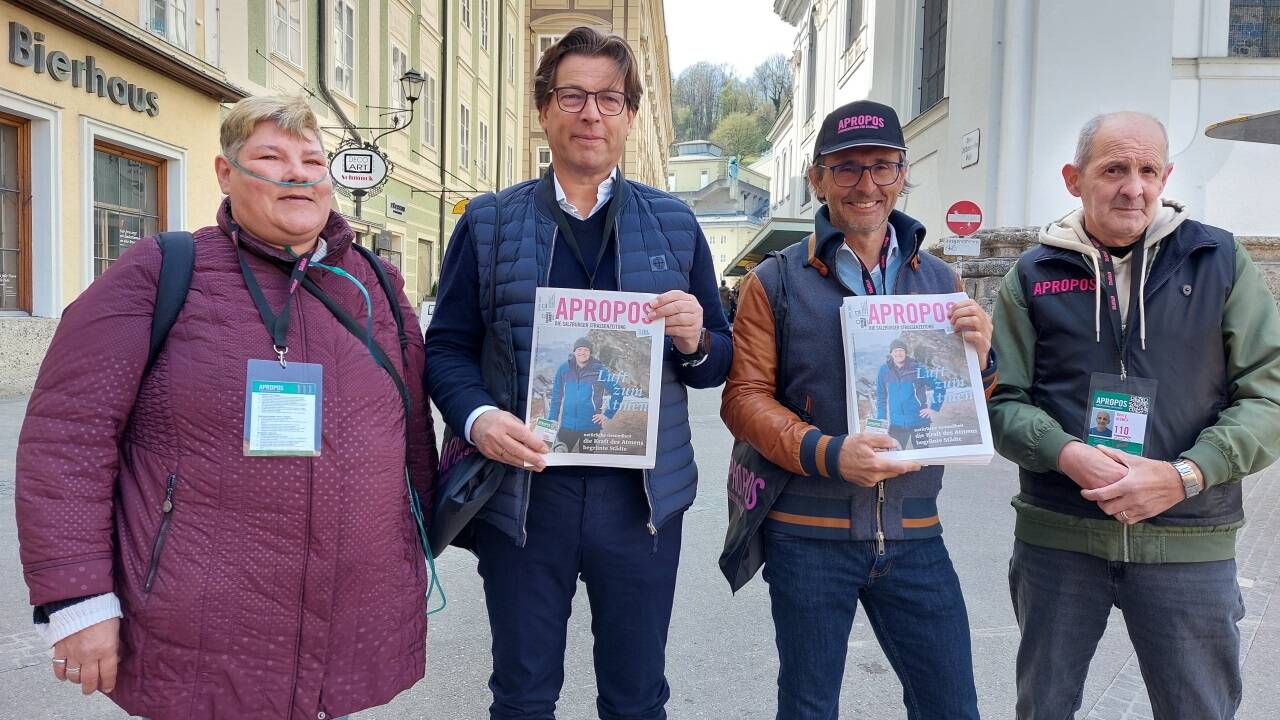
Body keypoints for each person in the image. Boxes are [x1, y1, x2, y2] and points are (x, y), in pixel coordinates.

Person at [14, 95, 438, 719]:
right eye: (270, 156)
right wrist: (76, 598)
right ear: (225, 173)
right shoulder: (163, 270)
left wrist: (416, 550)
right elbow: (67, 437)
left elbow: (410, 432)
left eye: (312, 160)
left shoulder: (374, 282)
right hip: (202, 627)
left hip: (347, 620)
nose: (298, 173)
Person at [424, 27, 731, 720]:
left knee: (637, 696)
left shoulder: (677, 223)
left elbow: (718, 359)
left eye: (609, 98)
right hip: (526, 499)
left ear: (629, 114)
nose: (591, 112)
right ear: (543, 108)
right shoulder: (489, 223)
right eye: (573, 95)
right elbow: (445, 348)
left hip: (641, 505)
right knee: (524, 695)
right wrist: (479, 419)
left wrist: (695, 341)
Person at [989, 111, 1280, 720]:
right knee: (1043, 708)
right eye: (1114, 169)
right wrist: (1064, 452)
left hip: (1189, 541)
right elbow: (1003, 399)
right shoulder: (1032, 274)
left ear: (1166, 174)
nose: (1134, 186)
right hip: (1060, 538)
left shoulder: (1218, 261)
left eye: (1148, 170)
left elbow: (1268, 396)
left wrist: (1184, 475)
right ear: (1075, 179)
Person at [721, 99, 997, 720]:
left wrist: (981, 359)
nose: (865, 184)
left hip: (915, 532)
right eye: (846, 168)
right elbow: (742, 400)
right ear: (818, 179)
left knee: (951, 704)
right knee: (809, 706)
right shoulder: (777, 280)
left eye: (882, 166)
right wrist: (829, 452)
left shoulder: (943, 283)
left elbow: (973, 401)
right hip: (809, 535)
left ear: (902, 173)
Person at [545, 336, 624, 452]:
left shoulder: (599, 370)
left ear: (590, 352)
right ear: (574, 352)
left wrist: (607, 414)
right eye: (579, 349)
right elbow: (556, 395)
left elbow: (617, 391)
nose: (582, 352)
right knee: (560, 455)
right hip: (567, 425)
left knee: (586, 460)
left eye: (586, 350)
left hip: (590, 427)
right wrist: (552, 418)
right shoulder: (563, 369)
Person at [875, 338, 947, 449]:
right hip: (897, 423)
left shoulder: (917, 369)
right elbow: (881, 396)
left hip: (919, 421)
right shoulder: (883, 370)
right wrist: (881, 419)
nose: (898, 353)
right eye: (895, 350)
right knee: (896, 454)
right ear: (891, 353)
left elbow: (939, 385)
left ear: (905, 353)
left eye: (901, 350)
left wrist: (933, 408)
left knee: (922, 455)